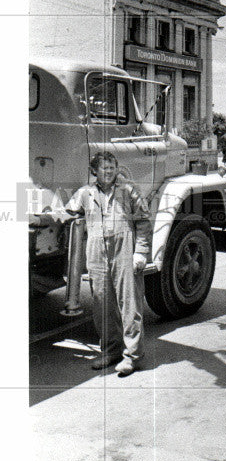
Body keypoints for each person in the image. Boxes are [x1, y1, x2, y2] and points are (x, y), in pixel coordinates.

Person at [47, 152, 151, 376]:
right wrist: (49, 214)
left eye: (112, 167)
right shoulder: (86, 193)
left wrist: (140, 252)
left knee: (129, 304)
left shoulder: (129, 190)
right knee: (102, 303)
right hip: (97, 252)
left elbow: (143, 222)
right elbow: (68, 212)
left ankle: (132, 356)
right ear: (95, 171)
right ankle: (111, 351)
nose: (109, 171)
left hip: (124, 249)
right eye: (104, 168)